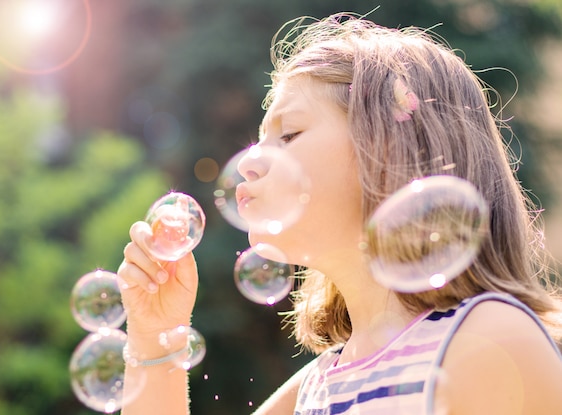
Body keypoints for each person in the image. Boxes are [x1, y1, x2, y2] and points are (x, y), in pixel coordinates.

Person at [117, 12, 562, 415]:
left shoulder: (489, 341)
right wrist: (156, 334)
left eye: (289, 134)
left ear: (388, 152)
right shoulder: (315, 387)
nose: (250, 159)